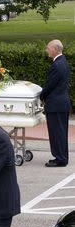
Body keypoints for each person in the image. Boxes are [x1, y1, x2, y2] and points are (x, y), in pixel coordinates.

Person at [41, 39, 71, 167]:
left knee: (56, 133)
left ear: (55, 49)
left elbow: (50, 86)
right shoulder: (62, 62)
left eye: (48, 48)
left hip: (56, 105)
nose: (47, 50)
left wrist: (41, 95)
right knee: (61, 132)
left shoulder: (57, 65)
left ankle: (60, 158)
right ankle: (61, 157)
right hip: (61, 104)